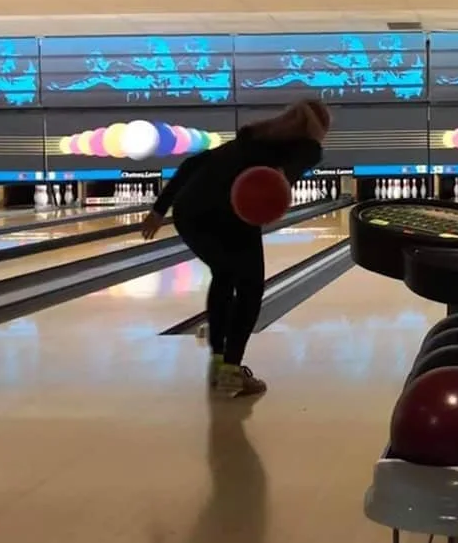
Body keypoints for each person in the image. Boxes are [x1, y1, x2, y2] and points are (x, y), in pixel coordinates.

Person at [140, 99, 331, 398]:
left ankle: (219, 363)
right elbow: (305, 154)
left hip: (190, 213)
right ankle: (231, 371)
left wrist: (158, 209)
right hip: (234, 213)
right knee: (250, 287)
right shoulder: (307, 148)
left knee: (225, 275)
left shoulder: (252, 137)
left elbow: (192, 164)